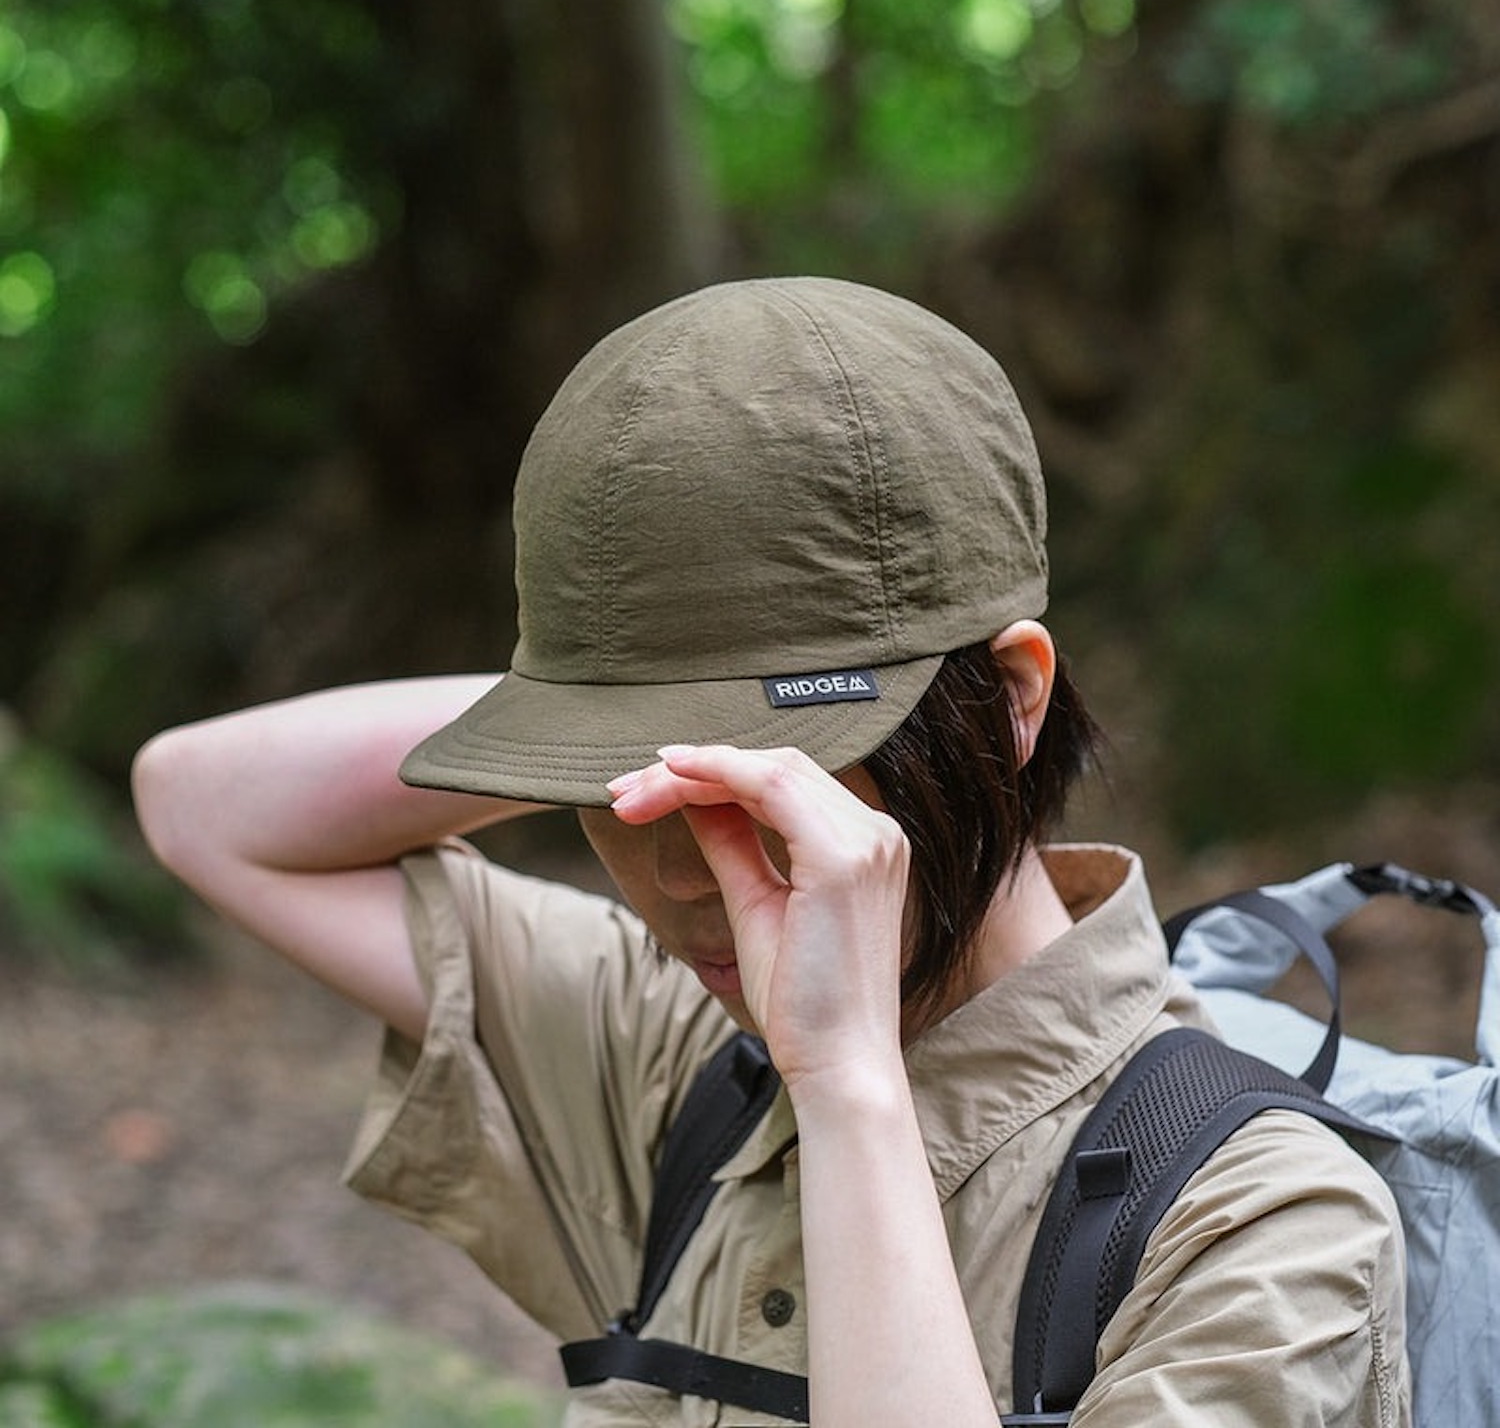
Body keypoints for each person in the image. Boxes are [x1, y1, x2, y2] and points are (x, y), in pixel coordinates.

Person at [132, 277, 1410, 1427]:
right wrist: (604, 693)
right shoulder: (682, 1059)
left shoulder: (1263, 1232)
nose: (686, 879)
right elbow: (204, 805)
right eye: (626, 788)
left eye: (768, 782)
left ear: (1014, 703)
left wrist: (852, 1090)